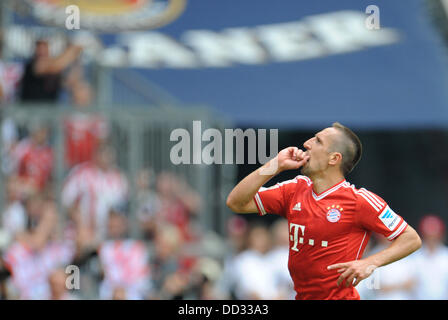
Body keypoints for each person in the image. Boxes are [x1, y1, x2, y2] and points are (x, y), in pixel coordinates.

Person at [226, 122, 422, 300]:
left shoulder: (359, 201)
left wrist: (368, 263)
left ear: (334, 158)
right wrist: (275, 165)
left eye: (318, 141)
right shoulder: (294, 189)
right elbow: (236, 202)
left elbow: (411, 238)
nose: (307, 143)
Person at [19, 39, 82, 103]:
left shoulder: (55, 70)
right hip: (31, 110)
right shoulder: (32, 66)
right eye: (39, 49)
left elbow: (70, 82)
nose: (42, 52)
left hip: (50, 110)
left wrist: (76, 59)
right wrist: (75, 48)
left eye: (44, 48)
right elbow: (55, 66)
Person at [409, 215, 448, 299]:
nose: (431, 239)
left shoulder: (446, 255)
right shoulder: (414, 257)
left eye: (435, 235)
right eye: (428, 236)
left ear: (441, 235)